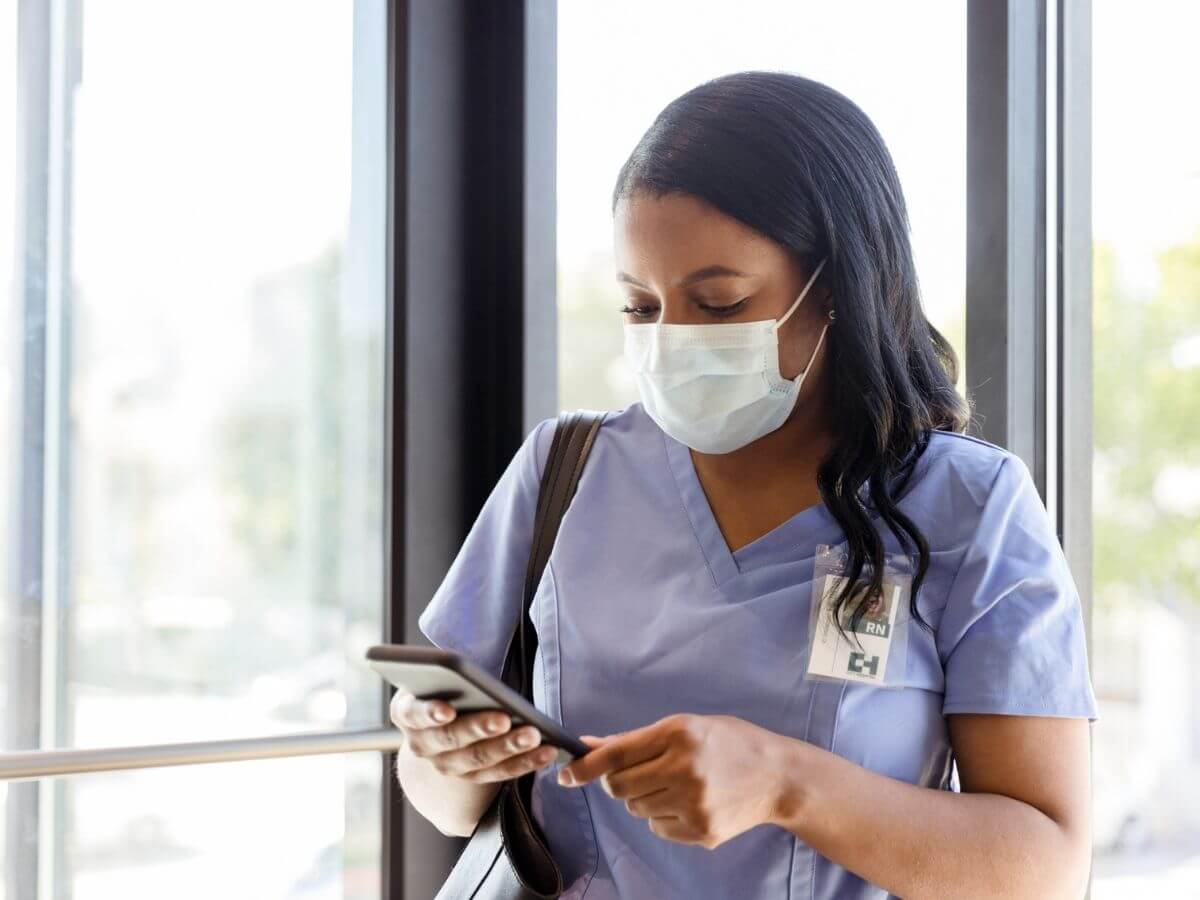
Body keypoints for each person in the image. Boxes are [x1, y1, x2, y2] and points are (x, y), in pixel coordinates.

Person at [390, 71, 1099, 900]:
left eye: (719, 303)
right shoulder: (568, 469)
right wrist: (442, 757)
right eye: (641, 308)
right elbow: (446, 804)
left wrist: (784, 782)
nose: (674, 341)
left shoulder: (967, 507)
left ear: (837, 286)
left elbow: (1044, 869)